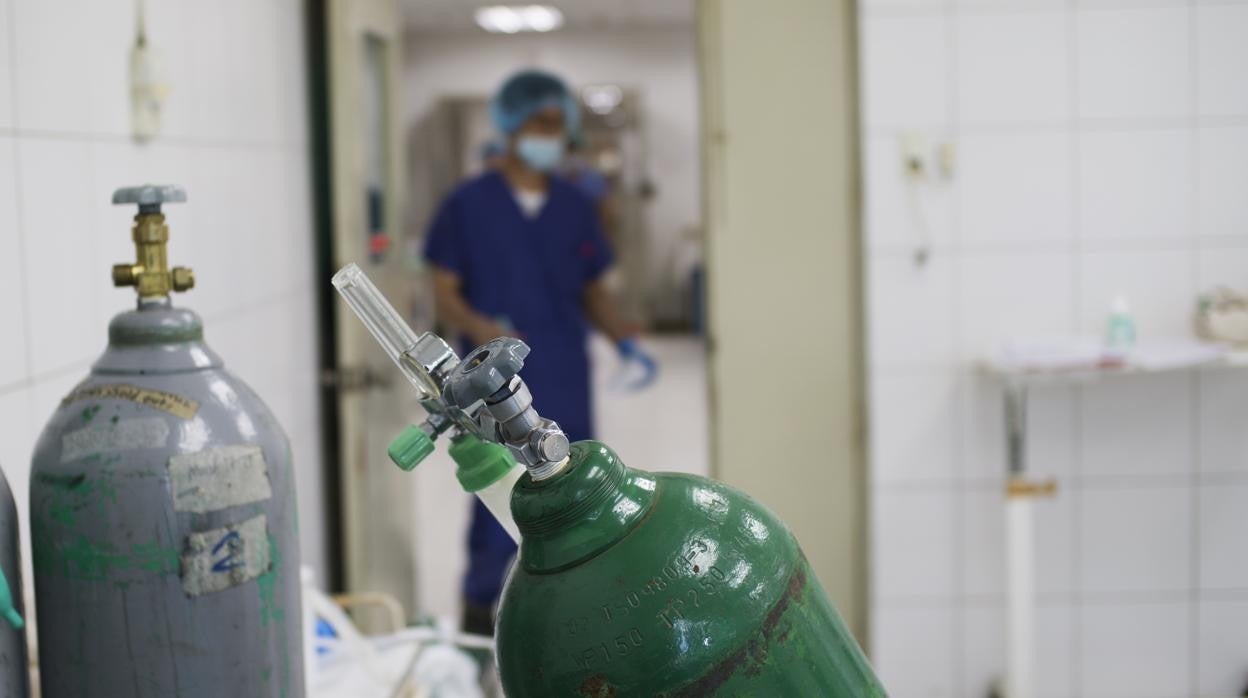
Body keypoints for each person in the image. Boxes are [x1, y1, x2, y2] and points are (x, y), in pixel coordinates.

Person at [423, 69, 657, 635]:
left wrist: (624, 336)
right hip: (487, 386)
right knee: (497, 500)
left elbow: (593, 289)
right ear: (510, 125)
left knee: (571, 487)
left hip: (563, 371)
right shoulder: (468, 204)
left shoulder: (575, 205)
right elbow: (443, 291)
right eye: (540, 123)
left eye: (559, 125)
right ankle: (483, 625)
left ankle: (572, 616)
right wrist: (481, 328)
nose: (550, 134)